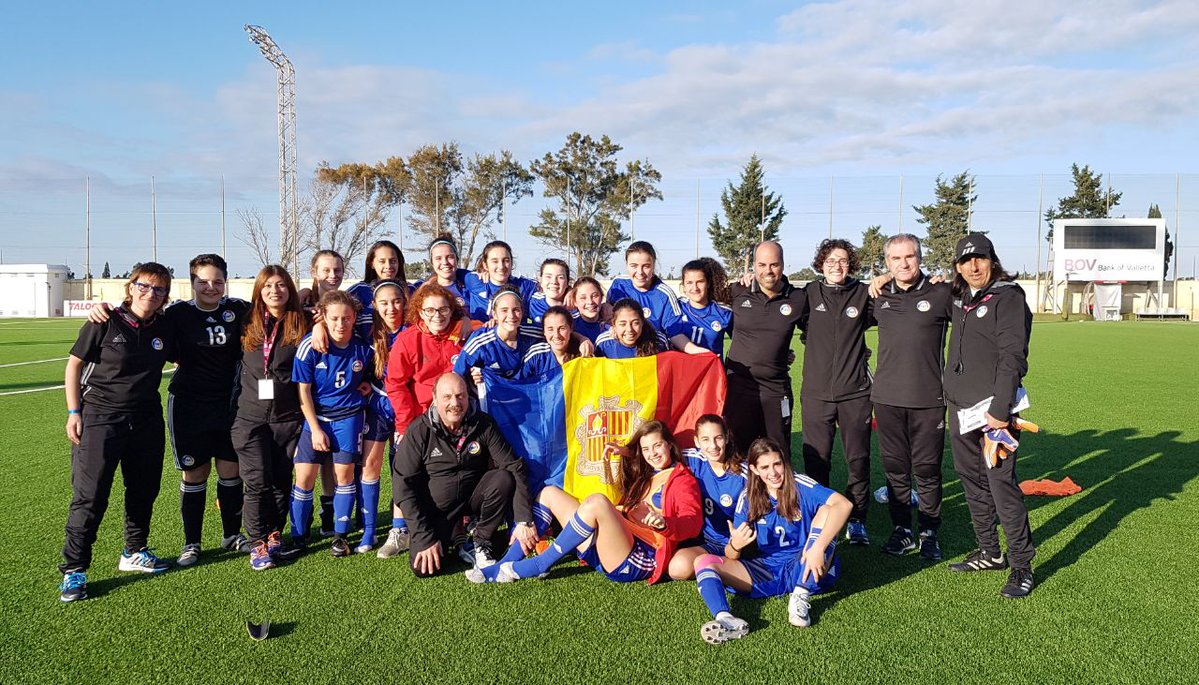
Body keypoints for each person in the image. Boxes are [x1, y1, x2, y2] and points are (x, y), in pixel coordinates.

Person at [84, 254, 254, 566]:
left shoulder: (239, 310)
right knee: (195, 473)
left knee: (232, 471)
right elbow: (138, 317)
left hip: (230, 404)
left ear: (225, 282)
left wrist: (306, 299)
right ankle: (192, 543)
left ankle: (232, 535)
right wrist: (102, 307)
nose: (211, 287)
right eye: (203, 281)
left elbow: (278, 310)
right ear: (192, 283)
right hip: (189, 405)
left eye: (217, 281)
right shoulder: (175, 315)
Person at [59, 263, 175, 601]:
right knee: (91, 494)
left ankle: (134, 551)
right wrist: (73, 412)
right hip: (100, 418)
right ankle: (74, 570)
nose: (150, 294)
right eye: (144, 286)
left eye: (159, 289)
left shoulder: (165, 327)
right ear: (131, 286)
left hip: (146, 419)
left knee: (144, 488)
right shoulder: (104, 320)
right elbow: (74, 366)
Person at [469, 420, 702, 585]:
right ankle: (505, 564)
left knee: (598, 503)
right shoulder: (645, 472)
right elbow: (640, 460)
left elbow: (692, 521)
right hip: (613, 543)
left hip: (639, 557)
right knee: (549, 493)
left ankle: (541, 564)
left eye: (658, 445)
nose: (652, 453)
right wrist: (627, 451)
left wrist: (665, 522)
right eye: (646, 448)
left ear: (670, 445)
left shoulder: (682, 480)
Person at [943, 234, 1036, 598]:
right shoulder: (960, 299)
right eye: (965, 262)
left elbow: (1013, 357)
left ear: (992, 260)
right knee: (972, 482)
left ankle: (1022, 565)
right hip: (960, 411)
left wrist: (1000, 411)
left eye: (979, 259)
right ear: (957, 268)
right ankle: (989, 551)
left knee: (1001, 487)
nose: (973, 266)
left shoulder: (1008, 298)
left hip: (994, 415)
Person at [691, 438, 851, 643]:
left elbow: (843, 504)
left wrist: (819, 547)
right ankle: (726, 619)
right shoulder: (748, 497)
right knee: (703, 562)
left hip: (806, 564)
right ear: (754, 470)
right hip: (768, 567)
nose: (773, 473)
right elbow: (731, 555)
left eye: (777, 464)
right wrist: (735, 545)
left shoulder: (800, 484)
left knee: (828, 510)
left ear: (784, 462)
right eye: (765, 467)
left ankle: (800, 597)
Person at [392, 373, 536, 576]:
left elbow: (514, 466)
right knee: (424, 570)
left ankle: (480, 539)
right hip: (437, 512)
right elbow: (403, 488)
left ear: (469, 397)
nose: (455, 403)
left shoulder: (483, 423)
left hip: (472, 502)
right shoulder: (419, 431)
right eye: (447, 397)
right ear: (434, 398)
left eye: (460, 396)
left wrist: (524, 521)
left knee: (503, 478)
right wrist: (424, 537)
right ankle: (455, 538)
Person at [870, 234, 953, 561]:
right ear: (887, 263)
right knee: (895, 468)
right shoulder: (877, 295)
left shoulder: (941, 292)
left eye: (910, 257)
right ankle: (903, 530)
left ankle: (930, 532)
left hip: (929, 399)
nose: (904, 264)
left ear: (920, 257)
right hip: (888, 399)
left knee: (928, 470)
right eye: (896, 259)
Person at [379, 283, 473, 559]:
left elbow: (493, 327)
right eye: (430, 310)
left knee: (461, 468)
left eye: (443, 309)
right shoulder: (408, 339)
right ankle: (399, 529)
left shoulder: (464, 330)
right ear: (419, 310)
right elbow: (395, 383)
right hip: (420, 416)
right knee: (405, 468)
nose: (437, 316)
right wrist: (407, 425)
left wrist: (469, 320)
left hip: (459, 415)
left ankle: (460, 529)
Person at [797, 238, 876, 546]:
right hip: (816, 393)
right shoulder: (809, 293)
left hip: (855, 393)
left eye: (842, 260)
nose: (836, 266)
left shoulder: (864, 293)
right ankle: (822, 516)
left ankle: (857, 519)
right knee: (817, 460)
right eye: (830, 261)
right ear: (821, 265)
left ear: (850, 264)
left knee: (858, 458)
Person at [234, 265, 310, 571]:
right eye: (268, 286)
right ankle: (257, 542)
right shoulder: (244, 321)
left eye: (281, 285)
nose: (274, 291)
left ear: (289, 289)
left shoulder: (301, 322)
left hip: (288, 416)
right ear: (259, 291)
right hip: (250, 416)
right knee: (256, 481)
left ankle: (275, 534)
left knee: (281, 480)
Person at [291, 290, 374, 558]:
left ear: (354, 318)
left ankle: (340, 535)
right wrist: (315, 429)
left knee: (345, 475)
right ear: (324, 318)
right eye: (335, 318)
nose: (341, 324)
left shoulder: (363, 348)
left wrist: (369, 383)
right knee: (304, 477)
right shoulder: (310, 346)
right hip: (317, 419)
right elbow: (303, 392)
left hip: (349, 418)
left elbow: (379, 373)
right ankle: (299, 536)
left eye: (347, 318)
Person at [723, 241, 807, 456]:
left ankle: (781, 491)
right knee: (738, 448)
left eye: (774, 265)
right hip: (739, 386)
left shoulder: (798, 298)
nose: (768, 271)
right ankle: (741, 490)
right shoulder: (737, 291)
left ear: (783, 265)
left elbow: (820, 333)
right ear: (753, 266)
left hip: (776, 389)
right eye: (762, 265)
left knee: (777, 449)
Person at [295, 249, 345, 533]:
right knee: (305, 460)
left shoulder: (344, 302)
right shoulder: (300, 301)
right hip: (300, 391)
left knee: (330, 456)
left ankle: (329, 511)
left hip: (332, 395)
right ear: (314, 271)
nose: (332, 276)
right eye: (325, 270)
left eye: (337, 270)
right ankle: (298, 522)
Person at [356, 280, 407, 553]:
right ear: (374, 305)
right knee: (370, 464)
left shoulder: (412, 330)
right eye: (384, 302)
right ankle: (370, 530)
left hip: (403, 406)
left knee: (401, 467)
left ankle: (400, 529)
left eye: (397, 301)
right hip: (376, 403)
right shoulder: (366, 327)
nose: (391, 308)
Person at [667, 415, 747, 580]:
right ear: (696, 442)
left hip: (729, 543)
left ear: (726, 438)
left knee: (679, 567)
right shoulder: (694, 459)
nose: (712, 446)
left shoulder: (743, 474)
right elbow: (658, 453)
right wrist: (626, 451)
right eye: (705, 439)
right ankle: (709, 562)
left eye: (718, 438)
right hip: (700, 538)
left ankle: (722, 564)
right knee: (676, 569)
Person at [606, 241, 704, 352]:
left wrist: (697, 351)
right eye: (634, 266)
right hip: (620, 357)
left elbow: (675, 333)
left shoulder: (665, 295)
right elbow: (606, 313)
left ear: (654, 265)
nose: (640, 272)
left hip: (651, 356)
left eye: (646, 266)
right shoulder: (619, 285)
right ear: (627, 265)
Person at [454, 286, 550, 381]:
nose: (511, 316)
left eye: (516, 310)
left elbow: (556, 338)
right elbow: (457, 374)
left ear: (522, 312)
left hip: (524, 391)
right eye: (504, 310)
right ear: (494, 314)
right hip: (491, 394)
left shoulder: (533, 333)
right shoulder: (480, 341)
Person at [464, 240, 538, 322]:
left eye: (506, 260)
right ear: (485, 265)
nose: (501, 266)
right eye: (495, 261)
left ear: (511, 262)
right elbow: (453, 272)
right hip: (479, 333)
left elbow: (546, 284)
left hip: (515, 333)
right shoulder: (474, 280)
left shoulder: (524, 286)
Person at [678, 258, 734, 359]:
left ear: (708, 283)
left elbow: (743, 341)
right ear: (684, 285)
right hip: (681, 373)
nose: (695, 288)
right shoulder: (676, 308)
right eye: (689, 282)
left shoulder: (724, 312)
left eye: (700, 282)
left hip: (712, 372)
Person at [347, 240, 409, 317]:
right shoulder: (359, 290)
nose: (388, 266)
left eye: (393, 261)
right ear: (372, 264)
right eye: (382, 261)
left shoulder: (411, 290)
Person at [595, 298, 669, 358]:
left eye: (635, 323)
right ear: (614, 324)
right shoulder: (603, 344)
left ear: (642, 322)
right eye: (623, 324)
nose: (629, 329)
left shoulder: (658, 342)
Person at [521, 306, 582, 376]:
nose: (556, 335)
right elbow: (522, 385)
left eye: (562, 328)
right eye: (550, 329)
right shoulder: (536, 355)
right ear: (544, 331)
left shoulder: (582, 354)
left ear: (571, 328)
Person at [415, 235, 470, 307]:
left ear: (457, 259)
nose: (445, 262)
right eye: (438, 258)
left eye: (450, 257)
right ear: (432, 263)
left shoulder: (472, 284)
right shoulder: (422, 289)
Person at [527, 258, 570, 324]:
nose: (554, 282)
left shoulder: (575, 308)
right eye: (548, 276)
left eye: (560, 277)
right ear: (540, 281)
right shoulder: (533, 300)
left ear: (567, 282)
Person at [569, 276, 610, 343]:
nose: (590, 302)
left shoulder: (610, 326)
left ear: (601, 297)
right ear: (575, 302)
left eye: (594, 296)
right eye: (583, 298)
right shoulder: (570, 326)